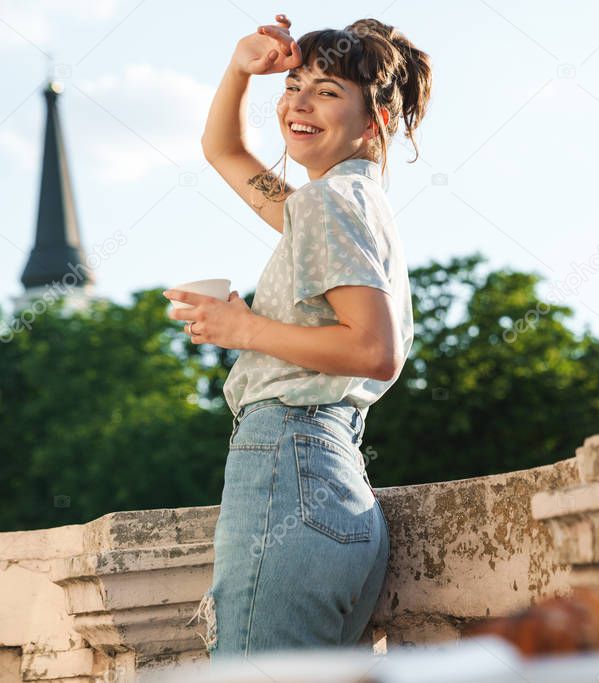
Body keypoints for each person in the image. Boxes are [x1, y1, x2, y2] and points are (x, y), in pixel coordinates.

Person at [162, 13, 432, 659]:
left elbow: (373, 349)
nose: (299, 104)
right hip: (329, 480)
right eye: (294, 85)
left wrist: (243, 327)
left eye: (328, 91)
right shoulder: (338, 201)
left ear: (376, 123)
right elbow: (224, 150)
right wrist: (240, 68)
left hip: (291, 462)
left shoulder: (326, 205)